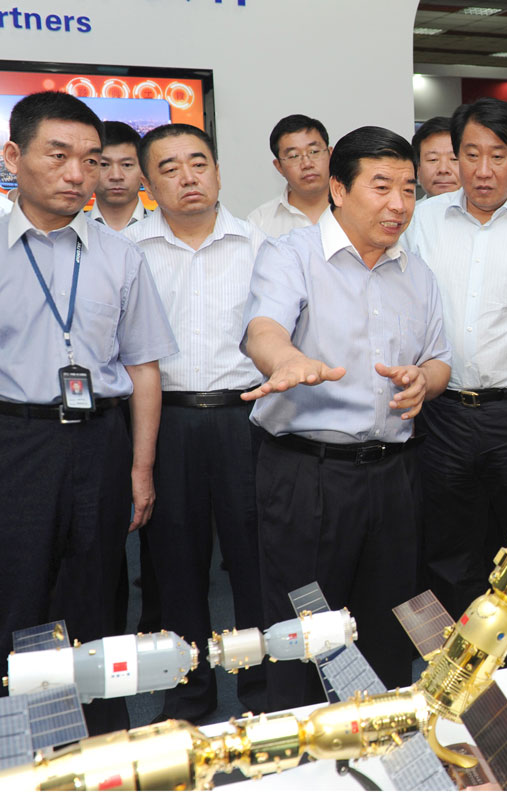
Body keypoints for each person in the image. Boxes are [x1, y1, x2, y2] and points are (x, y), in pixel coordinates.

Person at [241, 126, 451, 709]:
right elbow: (264, 330)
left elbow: (440, 360)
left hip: (395, 475)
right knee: (304, 626)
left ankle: (383, 740)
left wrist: (424, 381)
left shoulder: (417, 273)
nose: (399, 204)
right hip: (309, 475)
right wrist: (287, 361)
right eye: (381, 187)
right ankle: (303, 743)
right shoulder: (291, 255)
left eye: (408, 189)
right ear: (339, 189)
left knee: (388, 622)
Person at [0, 92, 176, 732]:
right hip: (15, 440)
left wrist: (141, 468)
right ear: (13, 157)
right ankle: (18, 744)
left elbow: (144, 367)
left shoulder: (120, 255)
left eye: (91, 159)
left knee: (99, 595)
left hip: (101, 440)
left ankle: (102, 740)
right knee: (17, 595)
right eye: (59, 156)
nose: (79, 174)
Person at [405, 98, 507, 664]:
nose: (482, 170)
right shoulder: (424, 220)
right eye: (470, 154)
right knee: (447, 553)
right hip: (441, 413)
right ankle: (457, 676)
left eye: (498, 156)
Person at [126, 123, 266, 722]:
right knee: (174, 568)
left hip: (246, 418)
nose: (188, 177)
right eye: (170, 167)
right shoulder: (128, 250)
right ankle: (187, 694)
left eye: (199, 162)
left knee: (255, 564)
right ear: (148, 181)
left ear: (218, 171)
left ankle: (262, 690)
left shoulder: (260, 245)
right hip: (168, 420)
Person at [247, 114, 331, 237]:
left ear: (330, 154)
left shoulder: (355, 208)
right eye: (294, 156)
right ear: (279, 167)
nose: (307, 164)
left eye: (314, 152)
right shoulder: (259, 223)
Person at [89, 121, 146, 231]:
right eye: (104, 164)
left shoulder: (170, 229)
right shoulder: (67, 232)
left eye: (127, 165)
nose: (116, 176)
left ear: (143, 170)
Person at [412, 116, 460, 198]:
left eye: (454, 159)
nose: (443, 169)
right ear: (418, 168)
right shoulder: (409, 207)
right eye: (433, 159)